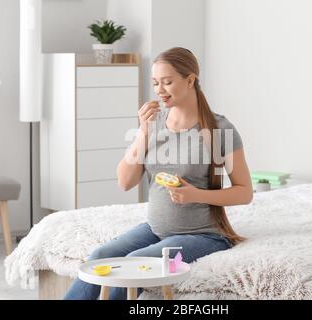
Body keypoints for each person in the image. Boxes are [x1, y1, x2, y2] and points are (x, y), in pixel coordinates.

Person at [64, 47, 253, 300]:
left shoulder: (220, 128)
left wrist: (195, 194)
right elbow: (125, 182)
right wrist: (143, 131)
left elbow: (245, 192)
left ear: (190, 80)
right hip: (155, 229)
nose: (160, 90)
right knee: (100, 256)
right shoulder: (153, 124)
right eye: (155, 83)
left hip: (203, 234)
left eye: (167, 82)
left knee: (133, 262)